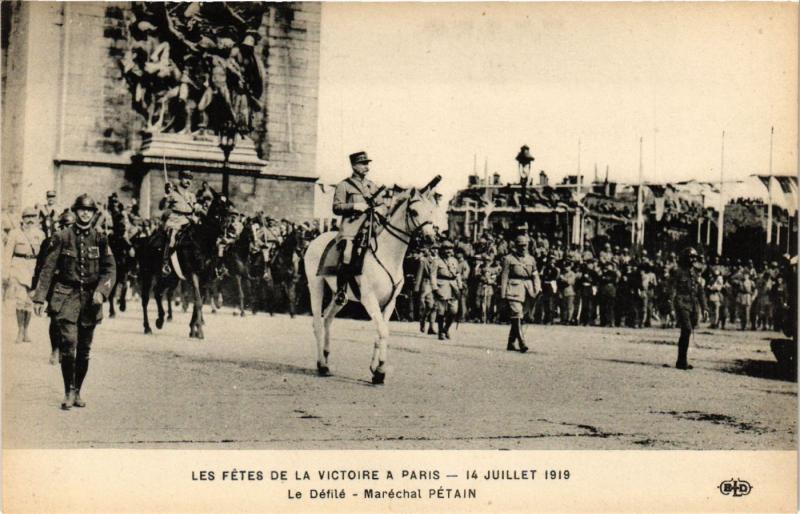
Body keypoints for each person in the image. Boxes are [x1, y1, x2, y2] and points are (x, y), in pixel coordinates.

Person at [32, 194, 116, 410]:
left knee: (85, 350)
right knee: (69, 346)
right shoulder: (62, 236)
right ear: (75, 211)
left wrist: (101, 292)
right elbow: (48, 268)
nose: (85, 213)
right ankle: (68, 391)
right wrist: (40, 297)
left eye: (89, 210)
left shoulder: (100, 238)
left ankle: (78, 390)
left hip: (90, 301)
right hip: (66, 297)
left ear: (93, 213)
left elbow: (109, 269)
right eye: (81, 210)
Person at [331, 151, 382, 305]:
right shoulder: (344, 185)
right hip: (351, 228)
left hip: (370, 225)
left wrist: (379, 209)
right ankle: (341, 291)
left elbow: (381, 204)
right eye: (363, 164)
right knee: (347, 253)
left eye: (367, 164)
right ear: (354, 166)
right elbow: (336, 207)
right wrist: (355, 206)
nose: (366, 167)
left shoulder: (372, 186)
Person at [32, 210, 76, 364]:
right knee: (55, 320)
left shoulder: (79, 242)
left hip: (72, 286)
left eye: (70, 225)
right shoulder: (50, 241)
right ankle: (55, 349)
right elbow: (41, 267)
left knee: (71, 321)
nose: (67, 228)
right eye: (65, 225)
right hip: (55, 286)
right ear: (59, 226)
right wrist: (36, 290)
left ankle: (67, 350)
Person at [3, 207, 47, 343]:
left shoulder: (40, 234)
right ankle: (20, 330)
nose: (30, 220)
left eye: (33, 217)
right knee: (20, 300)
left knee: (29, 301)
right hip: (19, 266)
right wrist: (6, 272)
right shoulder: (15, 233)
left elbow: (44, 255)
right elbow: (7, 254)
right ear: (22, 219)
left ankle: (26, 330)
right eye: (27, 217)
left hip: (33, 268)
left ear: (36, 219)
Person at [500, 233, 540, 352]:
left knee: (519, 316)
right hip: (513, 288)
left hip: (528, 289)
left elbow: (535, 275)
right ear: (515, 246)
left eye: (525, 245)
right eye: (520, 245)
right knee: (517, 314)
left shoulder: (531, 259)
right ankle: (522, 343)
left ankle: (511, 343)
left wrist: (537, 289)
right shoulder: (508, 259)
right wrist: (503, 294)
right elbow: (504, 276)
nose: (523, 247)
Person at [670, 247, 704, 370]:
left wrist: (704, 307)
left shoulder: (695, 272)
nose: (693, 259)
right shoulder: (678, 272)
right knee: (687, 329)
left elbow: (700, 291)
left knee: (686, 332)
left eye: (694, 257)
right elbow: (672, 290)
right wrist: (671, 306)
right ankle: (681, 361)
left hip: (692, 305)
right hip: (681, 303)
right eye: (691, 257)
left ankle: (681, 360)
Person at [162, 169, 198, 275]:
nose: (188, 181)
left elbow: (196, 208)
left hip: (189, 220)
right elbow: (162, 207)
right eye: (185, 178)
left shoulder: (192, 195)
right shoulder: (172, 193)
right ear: (180, 178)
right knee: (172, 237)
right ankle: (165, 263)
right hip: (175, 221)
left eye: (190, 178)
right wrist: (166, 195)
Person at [431, 240, 461, 340]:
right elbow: (433, 275)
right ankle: (441, 332)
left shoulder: (454, 261)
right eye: (446, 249)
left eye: (450, 249)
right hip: (442, 285)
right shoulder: (437, 261)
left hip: (453, 286)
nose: (449, 251)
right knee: (441, 311)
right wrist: (434, 287)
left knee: (454, 311)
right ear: (442, 250)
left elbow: (457, 274)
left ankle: (446, 329)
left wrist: (459, 286)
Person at [414, 244, 437, 334]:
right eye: (434, 249)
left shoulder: (439, 260)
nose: (436, 251)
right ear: (430, 250)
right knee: (427, 306)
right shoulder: (424, 261)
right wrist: (417, 287)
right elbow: (419, 274)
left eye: (437, 249)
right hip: (426, 284)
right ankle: (423, 321)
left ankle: (431, 327)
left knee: (434, 306)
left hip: (437, 285)